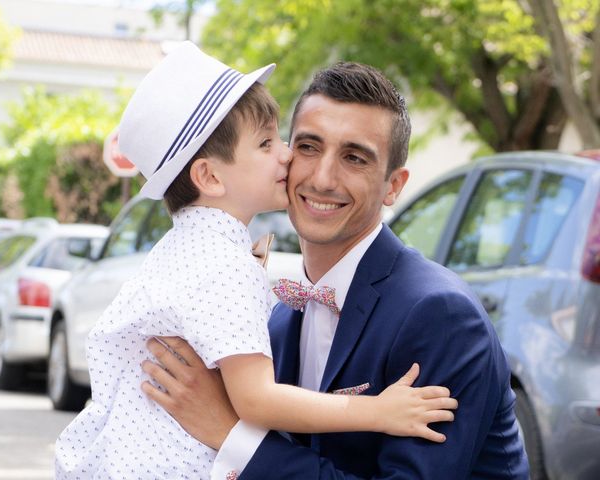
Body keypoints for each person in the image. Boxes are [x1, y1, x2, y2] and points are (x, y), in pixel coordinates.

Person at [54, 43, 458, 479]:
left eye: (280, 138)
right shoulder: (226, 266)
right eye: (267, 143)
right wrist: (376, 411)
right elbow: (257, 400)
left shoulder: (181, 250)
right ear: (209, 176)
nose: (286, 155)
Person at [141, 61, 530, 479]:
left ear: (394, 186)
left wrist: (231, 435)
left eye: (354, 158)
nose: (324, 178)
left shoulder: (441, 316)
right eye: (308, 147)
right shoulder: (277, 319)